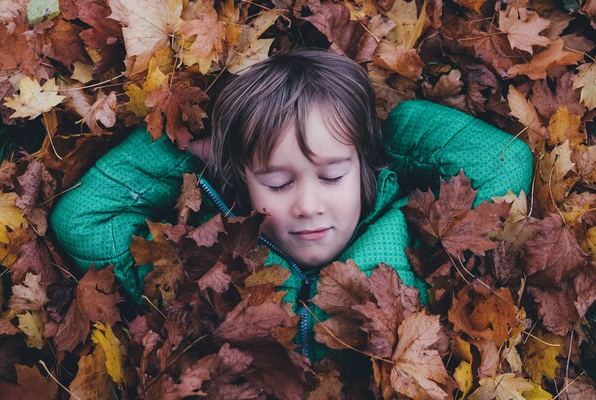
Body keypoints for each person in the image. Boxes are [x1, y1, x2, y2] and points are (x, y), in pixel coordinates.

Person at [49, 48, 533, 361]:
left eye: (333, 175)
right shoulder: (203, 264)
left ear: (362, 167)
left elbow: (505, 163)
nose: (308, 204)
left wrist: (389, 135)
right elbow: (82, 219)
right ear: (243, 184)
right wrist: (187, 151)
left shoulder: (415, 235)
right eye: (278, 182)